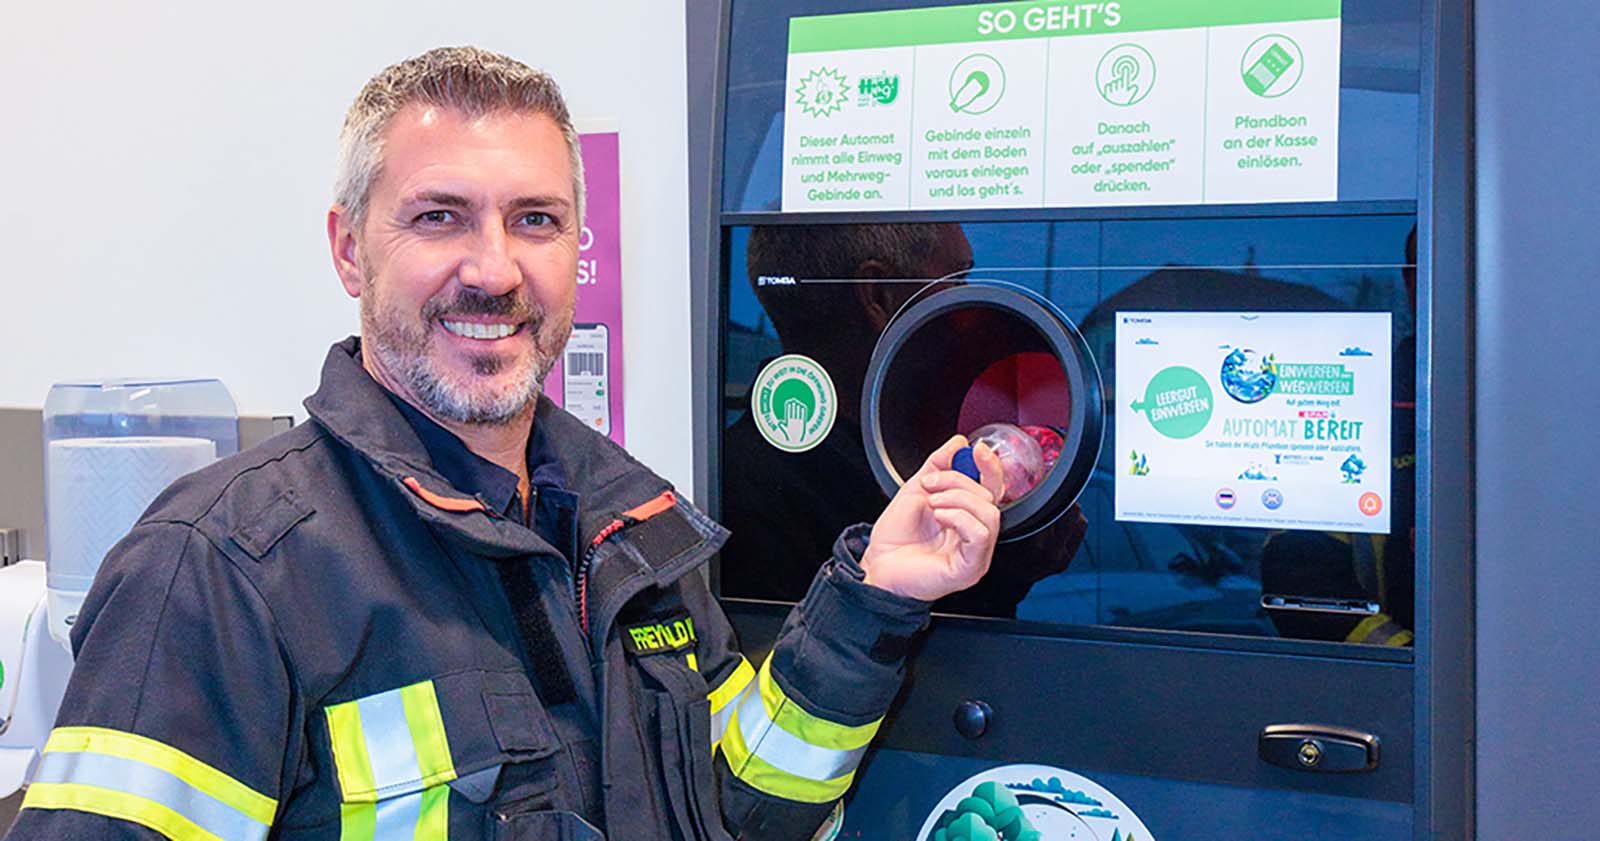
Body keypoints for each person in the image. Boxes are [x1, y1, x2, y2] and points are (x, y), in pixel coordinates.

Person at [6, 47, 1005, 841]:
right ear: (350, 248)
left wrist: (873, 596)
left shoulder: (639, 530)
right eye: (440, 217)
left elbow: (744, 806)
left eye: (535, 220)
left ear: (576, 249)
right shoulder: (219, 569)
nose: (493, 270)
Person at [721, 223, 1086, 617]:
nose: (966, 305)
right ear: (878, 294)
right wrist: (999, 575)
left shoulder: (736, 473)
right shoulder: (764, 496)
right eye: (957, 277)